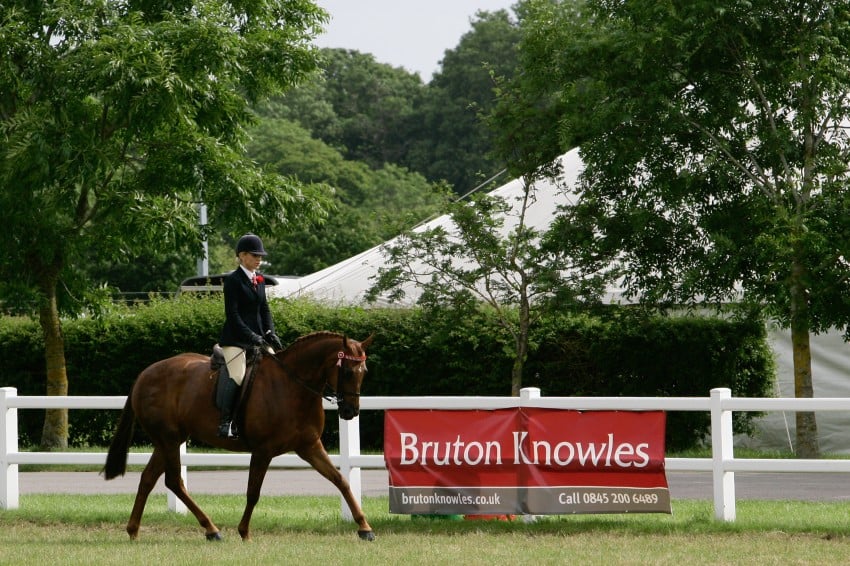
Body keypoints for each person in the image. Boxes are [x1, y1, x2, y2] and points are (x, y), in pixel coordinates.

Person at [215, 233, 284, 438]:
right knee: (237, 375)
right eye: (255, 255)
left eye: (260, 256)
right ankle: (225, 422)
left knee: (278, 368)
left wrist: (270, 332)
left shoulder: (259, 280)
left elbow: (264, 310)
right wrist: (253, 336)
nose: (259, 259)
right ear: (242, 256)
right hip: (235, 340)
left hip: (258, 338)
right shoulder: (233, 281)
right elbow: (233, 316)